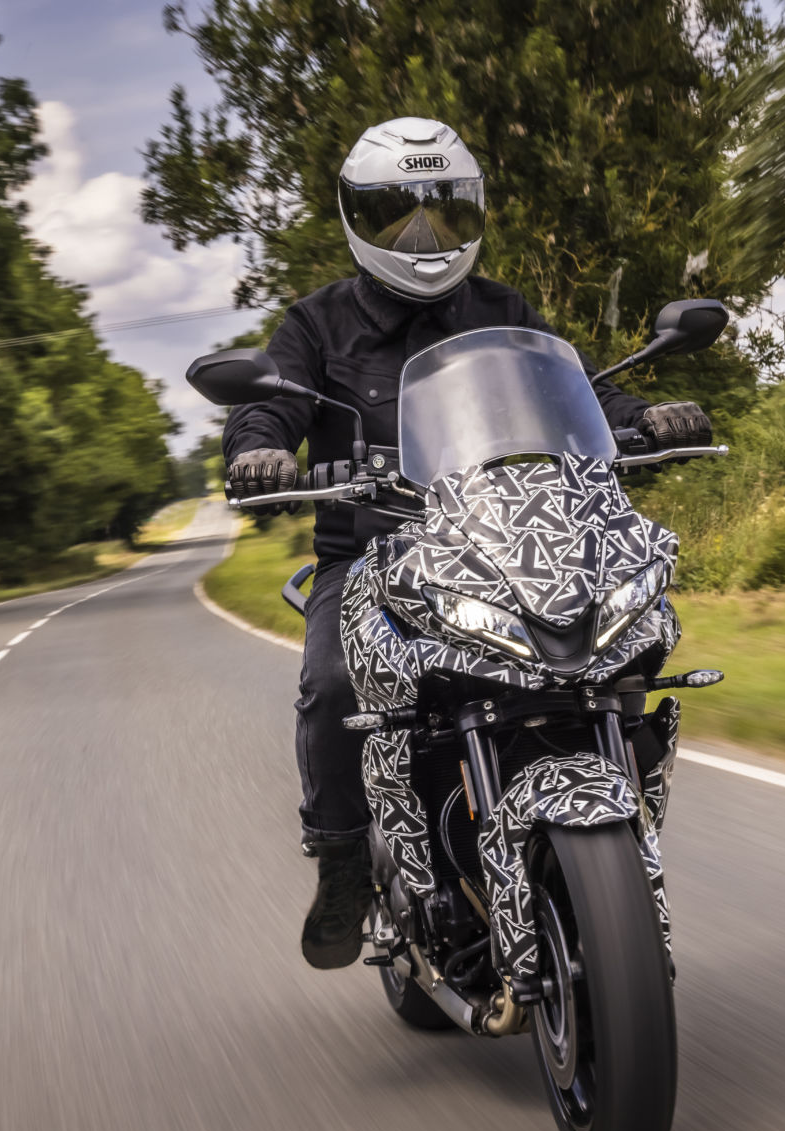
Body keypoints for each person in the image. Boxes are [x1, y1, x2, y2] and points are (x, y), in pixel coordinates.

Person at [222, 117, 713, 969]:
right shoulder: (316, 325)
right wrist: (257, 449)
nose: (423, 236)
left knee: (626, 638)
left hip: (508, 539)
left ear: (472, 215)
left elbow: (582, 390)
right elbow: (271, 405)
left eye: (442, 212)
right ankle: (342, 859)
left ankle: (608, 818)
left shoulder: (503, 311)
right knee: (333, 681)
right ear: (356, 219)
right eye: (397, 215)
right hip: (374, 554)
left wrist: (644, 418)